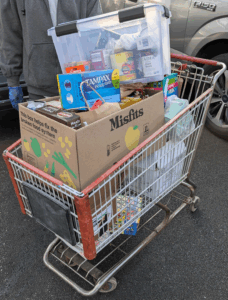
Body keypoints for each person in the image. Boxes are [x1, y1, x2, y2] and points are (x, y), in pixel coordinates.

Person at [0, 0, 102, 110]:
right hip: (40, 89)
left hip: (80, 84)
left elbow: (95, 29)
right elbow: (10, 33)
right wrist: (12, 80)